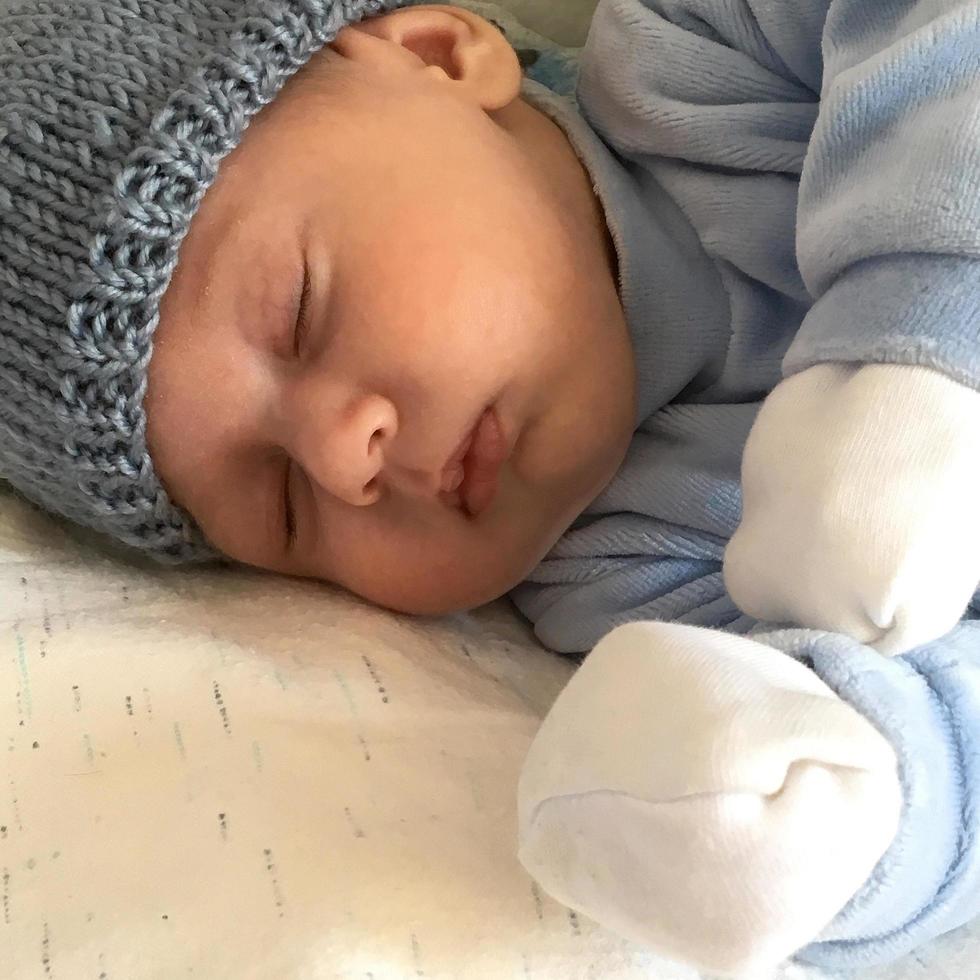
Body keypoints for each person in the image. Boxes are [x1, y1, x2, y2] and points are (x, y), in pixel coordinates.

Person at [1, 1, 978, 975]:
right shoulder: (612, 576)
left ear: (436, 56)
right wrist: (847, 816)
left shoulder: (699, 47)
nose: (346, 460)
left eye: (301, 307)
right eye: (279, 504)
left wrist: (921, 335)